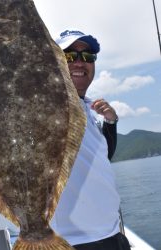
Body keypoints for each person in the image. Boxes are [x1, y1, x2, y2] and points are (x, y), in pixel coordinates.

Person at [50, 30, 131, 250]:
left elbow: (101, 158)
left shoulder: (89, 107)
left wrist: (111, 123)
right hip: (72, 242)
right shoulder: (51, 106)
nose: (79, 62)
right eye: (69, 56)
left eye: (87, 56)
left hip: (112, 235)